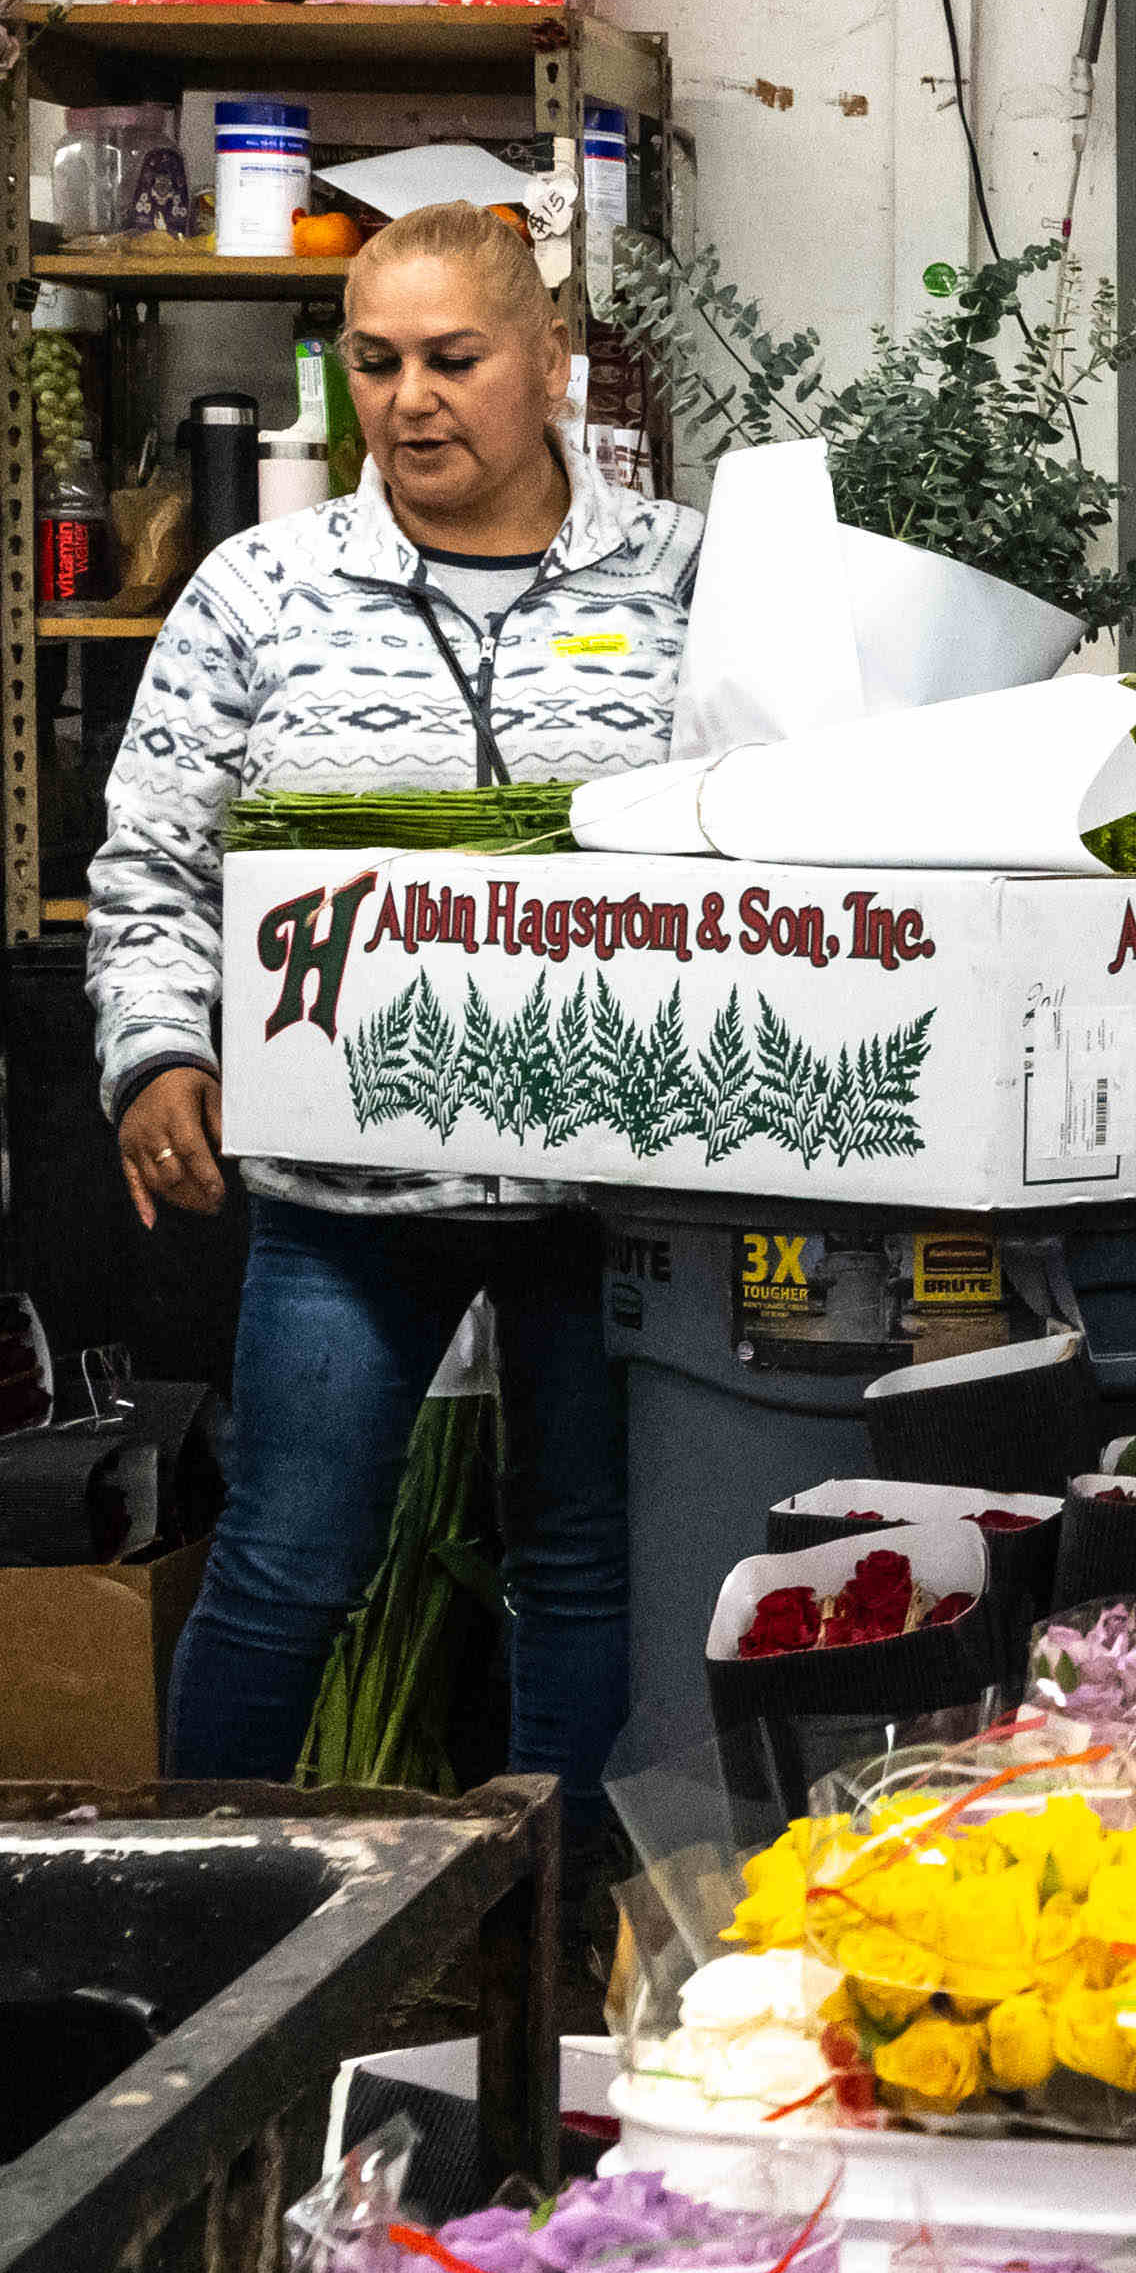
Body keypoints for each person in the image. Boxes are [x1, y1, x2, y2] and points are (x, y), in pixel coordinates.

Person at [88, 201, 700, 1794]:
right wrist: (154, 1050)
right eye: (373, 362)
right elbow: (150, 855)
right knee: (288, 1562)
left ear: (549, 362)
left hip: (615, 1188)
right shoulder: (260, 587)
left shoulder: (692, 577)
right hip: (344, 1191)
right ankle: (205, 1907)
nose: (410, 397)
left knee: (582, 1570)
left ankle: (542, 1936)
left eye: (453, 357)